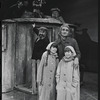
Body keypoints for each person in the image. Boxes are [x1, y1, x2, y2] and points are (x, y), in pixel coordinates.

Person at [31, 26, 49, 93]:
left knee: (39, 74)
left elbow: (46, 50)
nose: (41, 32)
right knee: (33, 74)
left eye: (43, 31)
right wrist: (34, 27)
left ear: (45, 33)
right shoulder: (39, 37)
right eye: (41, 31)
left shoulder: (46, 40)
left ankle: (39, 90)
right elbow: (36, 31)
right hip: (33, 58)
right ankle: (34, 90)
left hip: (39, 59)